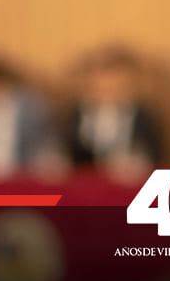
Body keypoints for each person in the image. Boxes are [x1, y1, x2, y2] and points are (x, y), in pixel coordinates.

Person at [66, 44, 163, 180]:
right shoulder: (77, 116)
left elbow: (153, 154)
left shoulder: (143, 117)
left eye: (115, 88)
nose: (108, 93)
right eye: (102, 89)